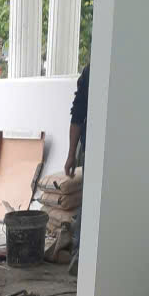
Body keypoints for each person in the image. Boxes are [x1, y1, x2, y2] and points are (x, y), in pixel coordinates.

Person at [64, 63, 89, 275]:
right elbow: (78, 113)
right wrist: (71, 154)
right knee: (90, 202)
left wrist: (72, 154)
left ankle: (80, 255)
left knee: (89, 202)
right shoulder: (92, 72)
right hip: (95, 150)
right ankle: (80, 256)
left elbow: (77, 114)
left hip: (98, 148)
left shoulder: (91, 70)